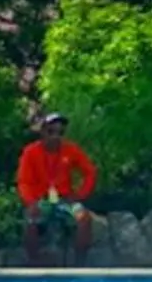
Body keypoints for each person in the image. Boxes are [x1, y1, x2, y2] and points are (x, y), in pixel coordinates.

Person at [16, 112, 97, 265]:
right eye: (51, 131)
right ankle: (34, 263)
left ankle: (80, 265)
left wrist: (80, 194)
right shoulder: (30, 152)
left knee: (84, 218)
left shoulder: (70, 149)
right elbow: (23, 182)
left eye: (60, 133)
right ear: (42, 132)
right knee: (30, 220)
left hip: (65, 200)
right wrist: (31, 202)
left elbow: (90, 172)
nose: (55, 136)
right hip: (41, 200)